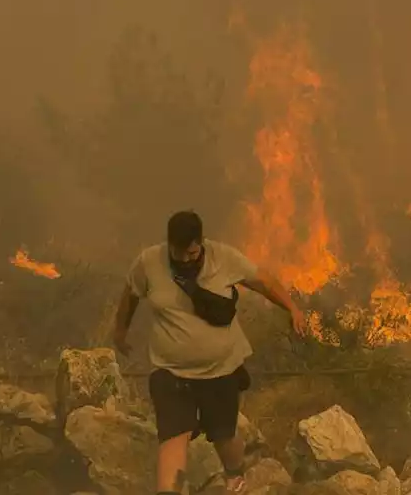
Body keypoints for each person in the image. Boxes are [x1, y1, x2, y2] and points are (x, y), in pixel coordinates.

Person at [113, 211, 306, 495]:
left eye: (192, 252)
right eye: (179, 254)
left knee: (224, 437)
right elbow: (130, 294)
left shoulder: (223, 258)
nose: (187, 260)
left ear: (201, 242)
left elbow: (263, 281)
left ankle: (235, 476)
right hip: (171, 373)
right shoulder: (149, 262)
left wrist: (292, 308)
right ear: (169, 245)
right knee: (172, 439)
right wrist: (120, 330)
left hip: (220, 373)